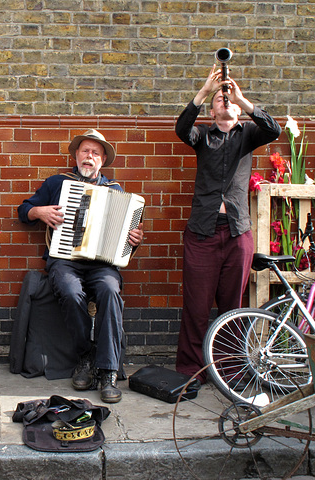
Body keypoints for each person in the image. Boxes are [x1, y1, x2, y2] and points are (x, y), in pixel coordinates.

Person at [18, 129, 144, 403]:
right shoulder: (57, 183)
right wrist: (39, 212)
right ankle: (86, 354)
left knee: (110, 290)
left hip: (102, 265)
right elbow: (23, 211)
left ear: (102, 161)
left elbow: (126, 239)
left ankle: (108, 371)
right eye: (85, 151)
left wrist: (134, 239)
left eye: (95, 153)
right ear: (76, 156)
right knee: (69, 289)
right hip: (65, 261)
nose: (89, 157)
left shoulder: (115, 191)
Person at [175, 64, 281, 381]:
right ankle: (192, 371)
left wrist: (242, 99)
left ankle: (229, 371)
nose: (225, 102)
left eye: (229, 101)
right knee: (196, 308)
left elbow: (273, 129)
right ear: (211, 110)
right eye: (219, 101)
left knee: (232, 308)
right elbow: (182, 129)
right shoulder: (202, 136)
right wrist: (205, 90)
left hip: (237, 234)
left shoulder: (247, 134)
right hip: (202, 234)